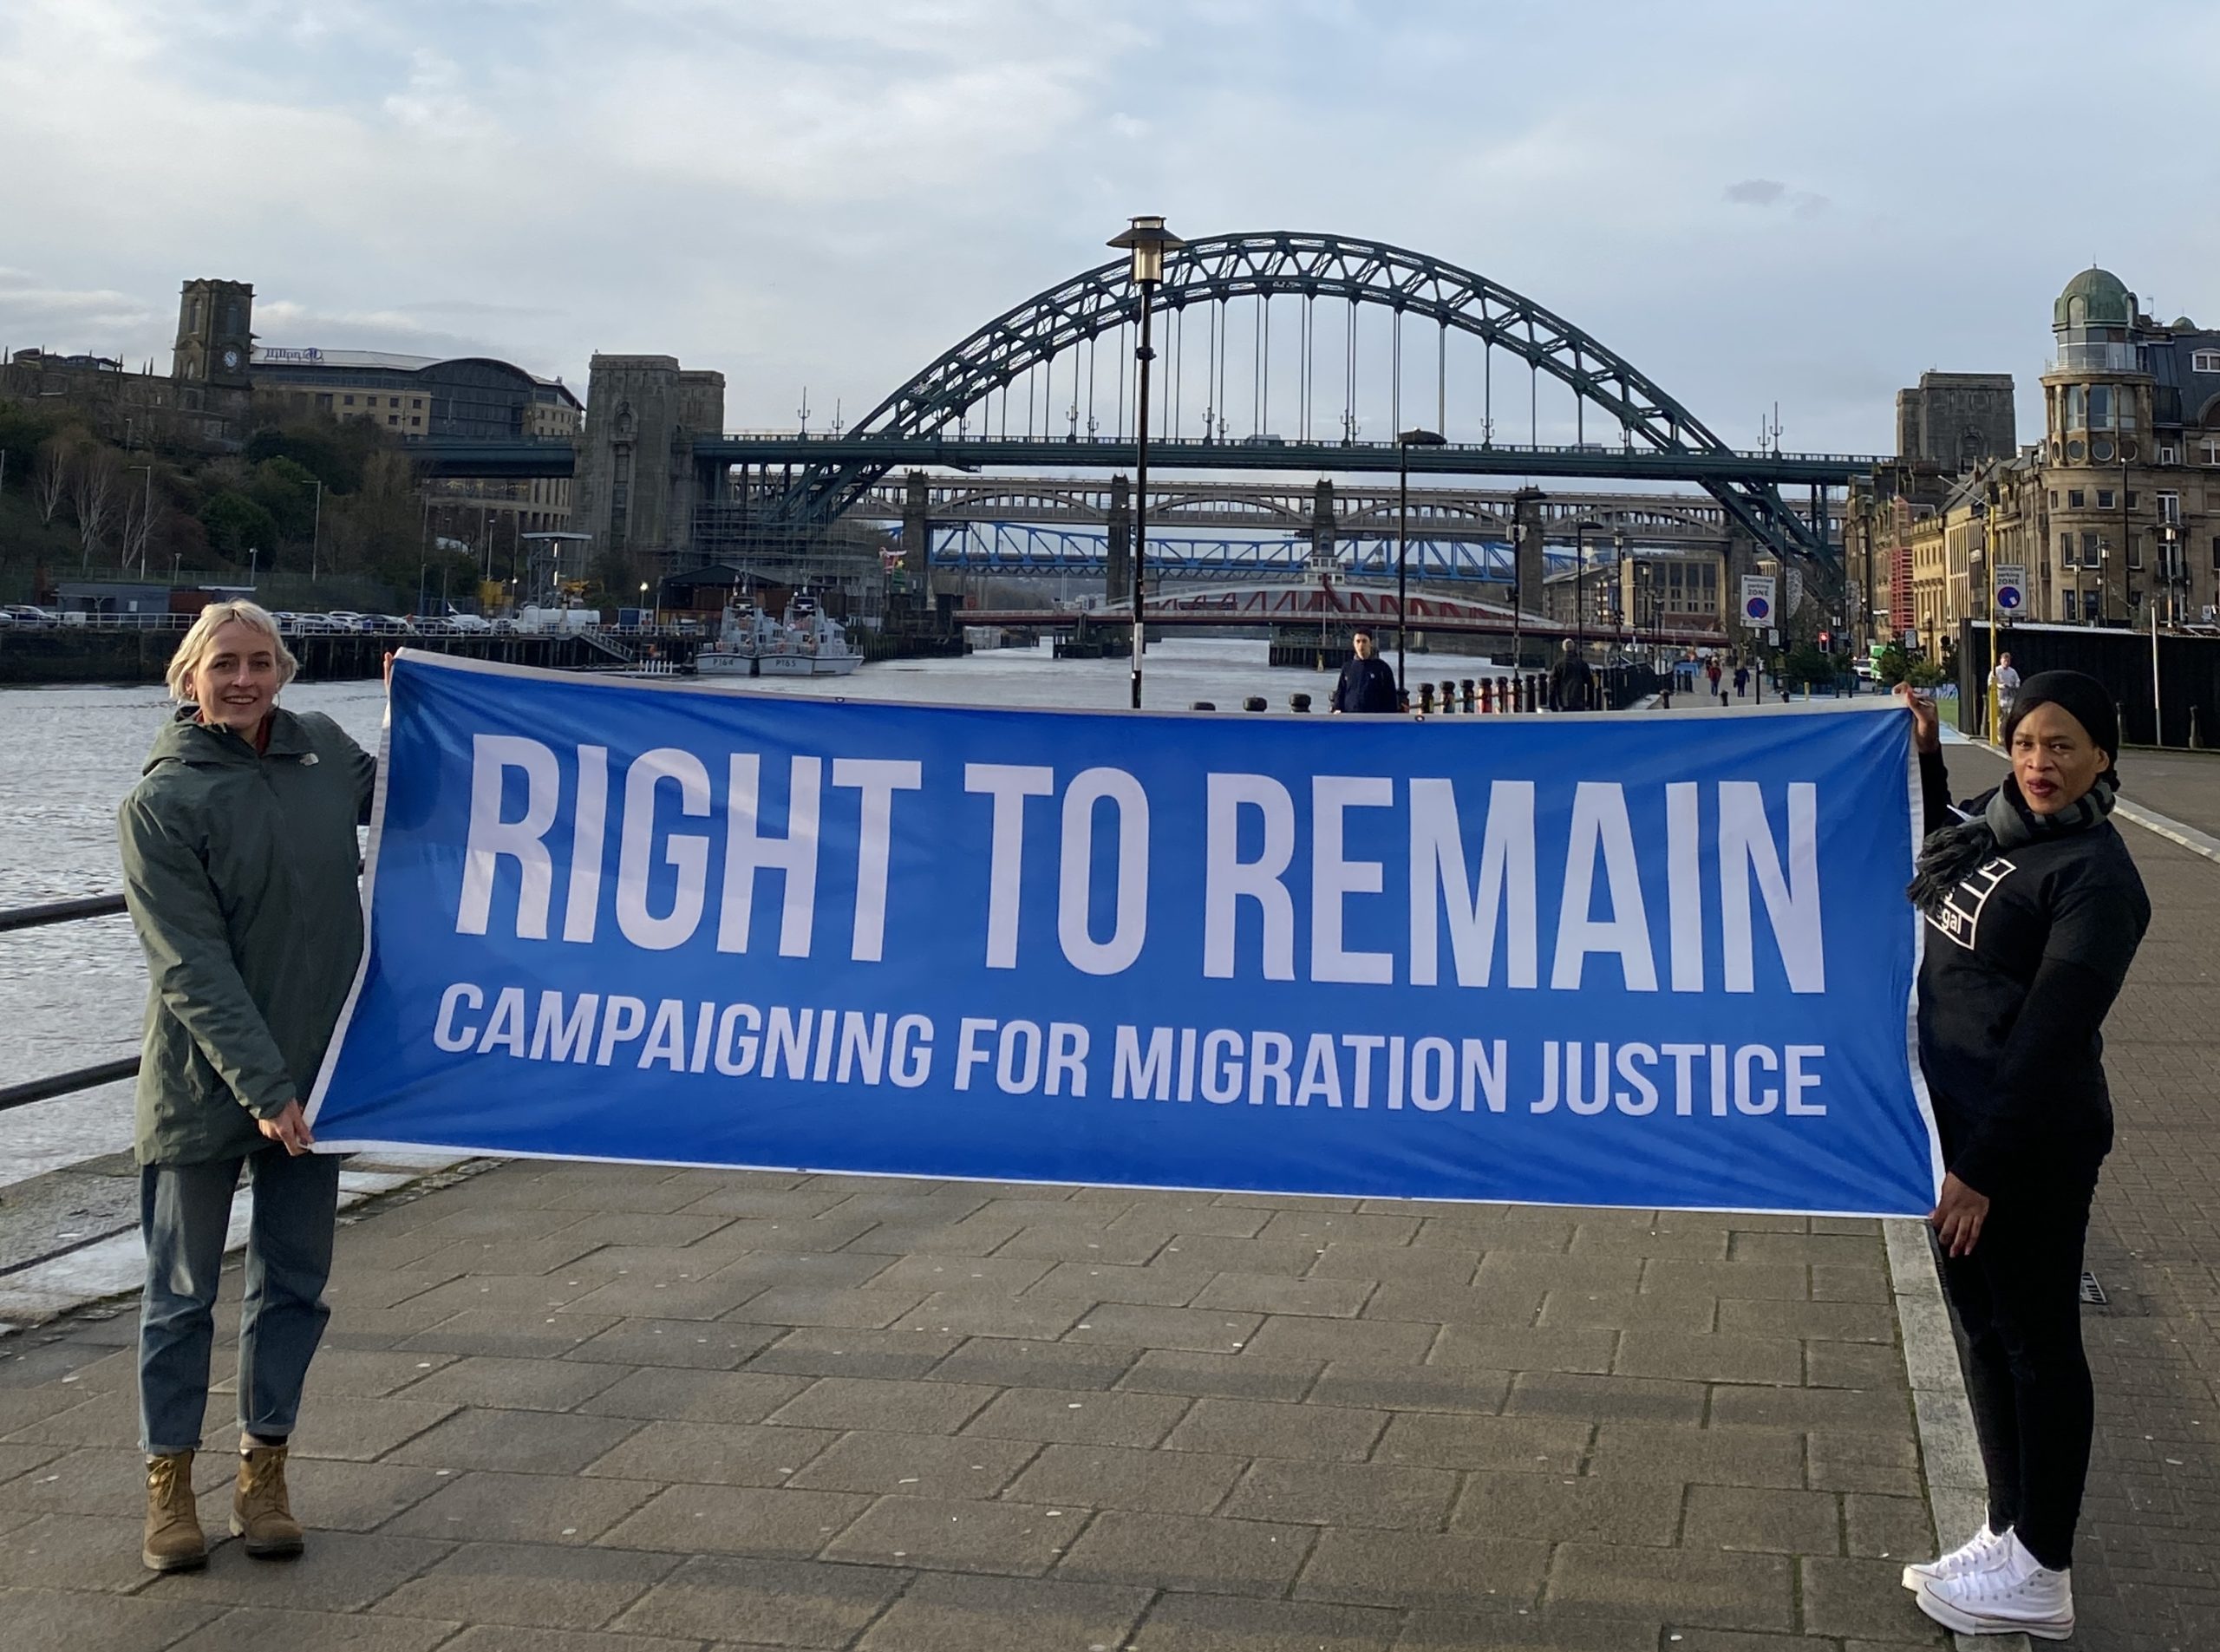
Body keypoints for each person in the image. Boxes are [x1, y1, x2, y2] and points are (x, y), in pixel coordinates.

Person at [121, 602, 377, 1574]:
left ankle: (263, 1471)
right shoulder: (162, 803)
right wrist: (267, 1090)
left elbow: (432, 789)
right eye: (224, 664)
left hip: (324, 1074)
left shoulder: (321, 754)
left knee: (294, 1286)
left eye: (260, 662)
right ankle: (169, 1486)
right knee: (181, 1294)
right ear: (188, 676)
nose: (243, 680)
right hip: (205, 1085)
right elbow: (190, 967)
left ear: (286, 670)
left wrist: (434, 697)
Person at [1897, 672, 2149, 1641]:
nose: (2041, 764)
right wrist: (1924, 756)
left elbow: (2050, 1037)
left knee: (2039, 1347)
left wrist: (1981, 1172)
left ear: (2102, 757)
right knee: (1982, 1335)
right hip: (1953, 1130)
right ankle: (2004, 1534)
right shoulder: (1986, 826)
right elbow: (1934, 856)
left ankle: (2042, 1568)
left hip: (2026, 1145)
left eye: (2063, 747)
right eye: (2028, 742)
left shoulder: (2096, 875)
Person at [1329, 629, 1400, 714]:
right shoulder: (1347, 667)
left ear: (1370, 643)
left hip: (1373, 719)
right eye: (1358, 641)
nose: (1361, 645)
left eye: (1364, 641)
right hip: (1350, 718)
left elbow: (1391, 698)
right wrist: (1337, 708)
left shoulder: (1382, 668)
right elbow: (1341, 691)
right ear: (1354, 644)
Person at [1546, 637, 1595, 711]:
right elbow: (1590, 683)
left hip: (1563, 702)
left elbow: (1552, 686)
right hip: (1579, 701)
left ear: (1563, 648)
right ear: (1574, 648)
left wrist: (1552, 705)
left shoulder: (1558, 665)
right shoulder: (1581, 663)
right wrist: (1590, 703)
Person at [1992, 650, 2021, 728]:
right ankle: (2000, 737)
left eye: (2008, 661)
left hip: (2010, 697)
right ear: (2001, 660)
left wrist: (2016, 686)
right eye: (2005, 661)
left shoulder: (2012, 671)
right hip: (1999, 697)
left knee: (2009, 718)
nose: (2006, 663)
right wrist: (1999, 685)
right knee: (2001, 718)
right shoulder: (1996, 670)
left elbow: (2017, 681)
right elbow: (1990, 682)